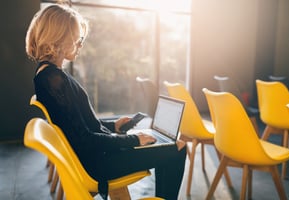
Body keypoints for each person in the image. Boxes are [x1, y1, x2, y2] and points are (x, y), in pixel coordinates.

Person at [25, 4, 186, 200]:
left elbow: (79, 126)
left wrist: (114, 125)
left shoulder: (48, 74)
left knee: (166, 144)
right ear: (60, 38)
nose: (80, 44)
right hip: (100, 163)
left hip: (97, 156)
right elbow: (85, 140)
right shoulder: (53, 79)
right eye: (77, 38)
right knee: (177, 147)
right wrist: (134, 139)